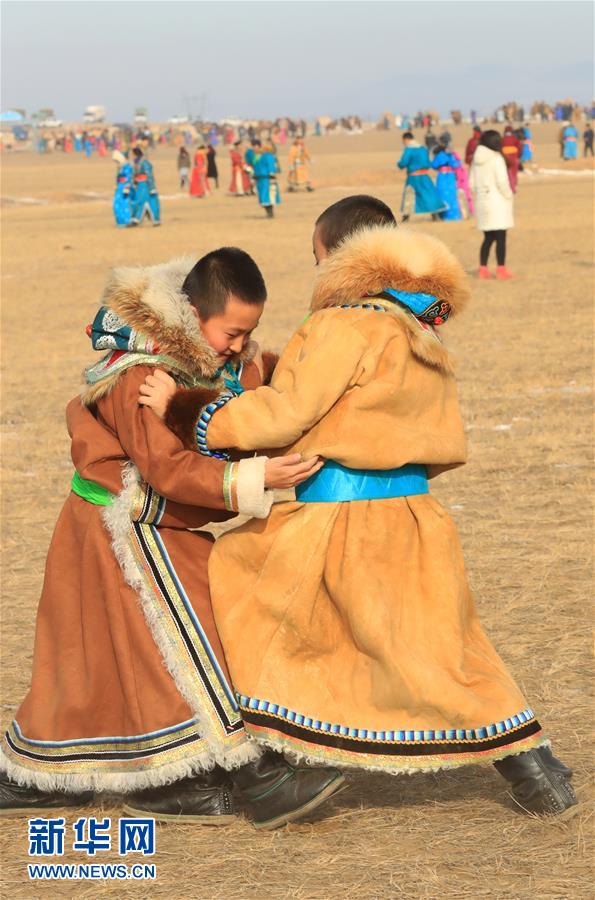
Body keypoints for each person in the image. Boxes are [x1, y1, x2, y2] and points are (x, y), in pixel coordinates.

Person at [143, 195, 576, 818]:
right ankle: (536, 769)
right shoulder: (417, 325)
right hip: (414, 514)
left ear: (337, 255)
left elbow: (289, 411)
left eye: (317, 257)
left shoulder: (342, 324)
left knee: (244, 589)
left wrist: (190, 410)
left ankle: (274, 760)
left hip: (340, 518)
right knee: (442, 646)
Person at [0, 248, 344, 829]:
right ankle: (253, 777)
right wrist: (253, 477)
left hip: (158, 519)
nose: (238, 346)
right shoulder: (139, 372)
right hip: (126, 521)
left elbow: (248, 392)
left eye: (249, 333)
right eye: (233, 331)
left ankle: (165, 780)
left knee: (112, 669)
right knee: (196, 635)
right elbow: (165, 467)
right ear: (193, 312)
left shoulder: (203, 357)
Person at [470, 130, 514, 279]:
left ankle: (483, 269)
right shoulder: (496, 158)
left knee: (488, 238)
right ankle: (501, 269)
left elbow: (472, 184)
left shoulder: (476, 160)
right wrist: (509, 195)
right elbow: (502, 182)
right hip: (497, 201)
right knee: (501, 237)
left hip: (482, 200)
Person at [397, 132, 445, 222]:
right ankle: (435, 215)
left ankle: (406, 218)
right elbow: (427, 163)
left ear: (406, 139)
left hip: (413, 177)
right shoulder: (423, 149)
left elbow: (403, 163)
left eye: (403, 141)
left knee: (409, 195)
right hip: (424, 176)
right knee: (429, 195)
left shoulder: (409, 149)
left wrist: (399, 164)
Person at [129, 148, 161, 226]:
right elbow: (133, 175)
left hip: (145, 185)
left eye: (132, 154)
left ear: (135, 154)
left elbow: (149, 175)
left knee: (146, 202)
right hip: (139, 186)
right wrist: (134, 183)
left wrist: (152, 188)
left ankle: (153, 219)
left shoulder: (144, 162)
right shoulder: (135, 163)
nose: (131, 156)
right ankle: (137, 218)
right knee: (138, 201)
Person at [431, 144, 462, 220]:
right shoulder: (449, 155)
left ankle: (444, 214)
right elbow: (456, 163)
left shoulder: (438, 156)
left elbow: (434, 165)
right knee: (452, 195)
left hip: (442, 176)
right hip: (451, 176)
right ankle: (455, 215)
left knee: (442, 194)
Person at [252, 140, 280, 218]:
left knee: (268, 196)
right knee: (263, 197)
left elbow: (271, 166)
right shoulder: (258, 155)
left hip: (267, 179)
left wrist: (271, 174)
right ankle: (268, 213)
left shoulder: (268, 155)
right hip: (260, 178)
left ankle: (270, 213)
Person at [112, 150, 134, 227]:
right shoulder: (120, 167)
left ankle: (126, 221)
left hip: (125, 187)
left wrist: (127, 187)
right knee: (117, 203)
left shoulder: (127, 166)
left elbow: (129, 177)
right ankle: (120, 221)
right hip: (120, 187)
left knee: (125, 204)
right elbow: (118, 178)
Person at [452, 149, 474, 217]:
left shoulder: (453, 166)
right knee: (467, 199)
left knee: (459, 200)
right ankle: (471, 212)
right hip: (464, 185)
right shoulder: (461, 165)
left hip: (458, 184)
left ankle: (463, 214)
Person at [502, 126, 521, 192]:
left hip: (505, 158)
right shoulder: (515, 138)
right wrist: (518, 157)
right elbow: (519, 147)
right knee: (514, 172)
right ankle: (514, 185)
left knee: (506, 172)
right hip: (514, 157)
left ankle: (507, 186)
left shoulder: (502, 139)